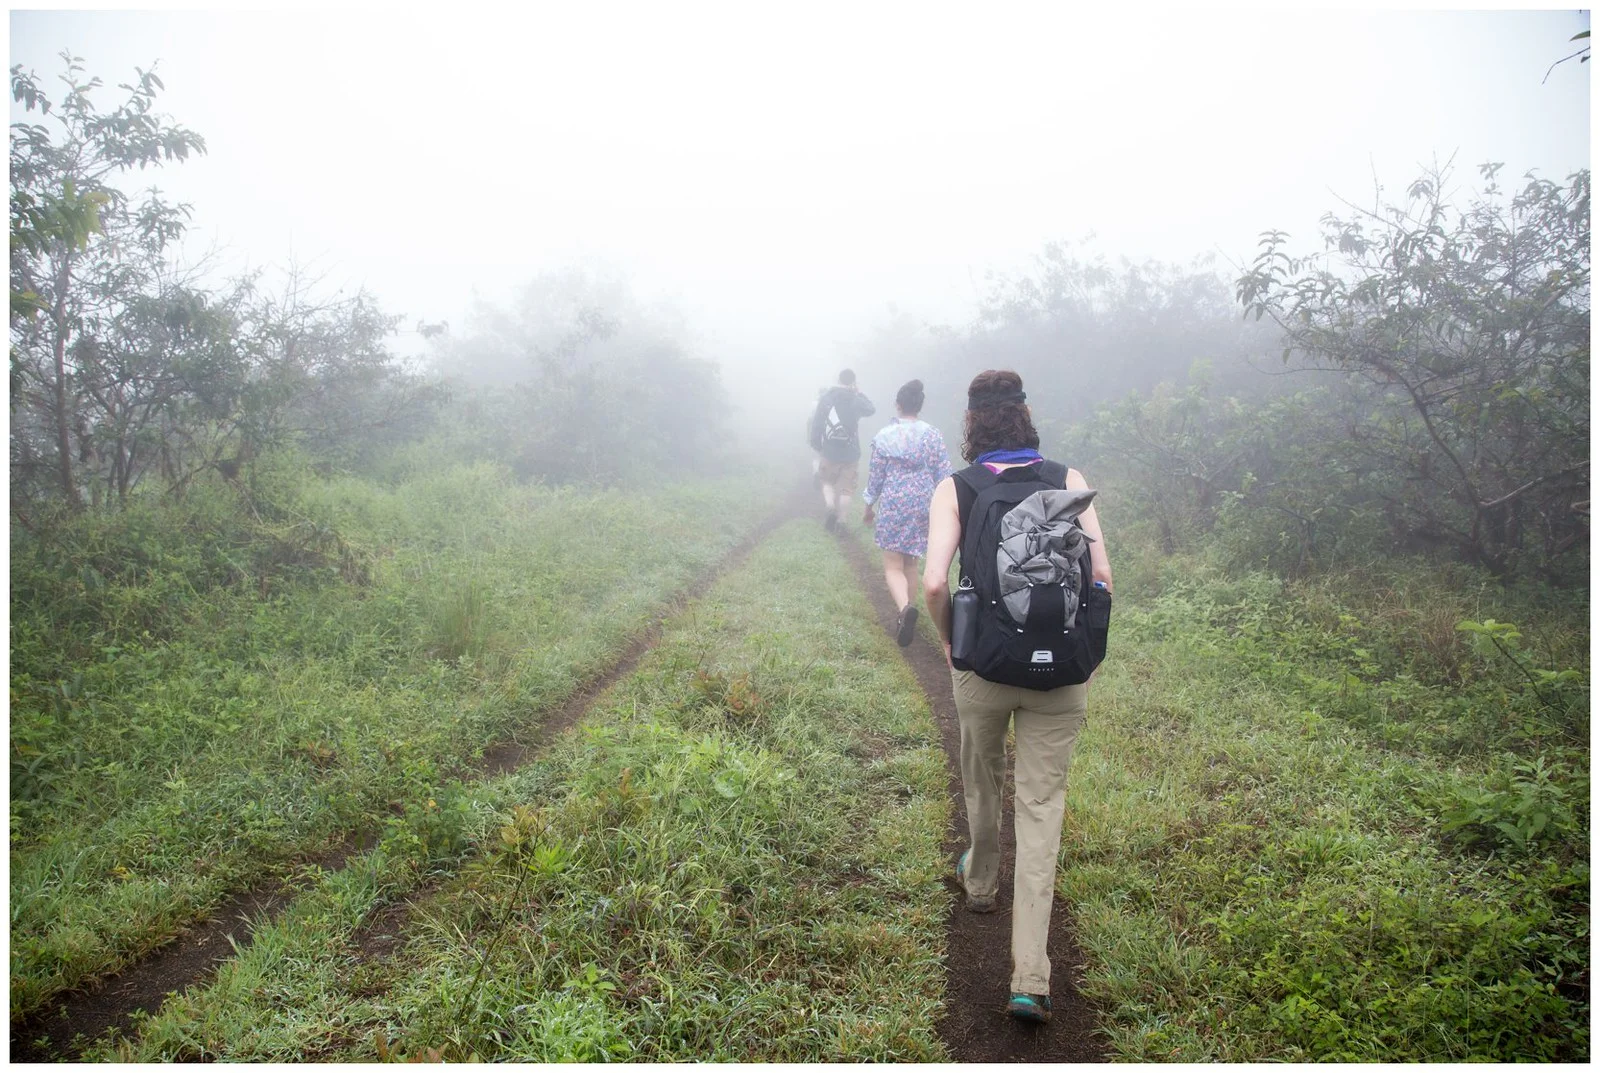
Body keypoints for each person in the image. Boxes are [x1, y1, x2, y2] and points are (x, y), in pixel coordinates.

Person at [921, 368, 1113, 1025]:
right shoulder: (1068, 478)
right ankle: (1030, 977)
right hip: (1060, 671)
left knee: (982, 775)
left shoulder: (957, 486)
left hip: (984, 666)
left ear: (972, 423)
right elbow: (1102, 577)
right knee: (1041, 806)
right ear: (1025, 417)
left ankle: (980, 882)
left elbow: (934, 584)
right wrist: (1087, 656)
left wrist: (952, 643)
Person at [862, 379, 953, 646]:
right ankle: (908, 609)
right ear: (919, 406)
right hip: (923, 501)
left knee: (893, 565)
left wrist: (868, 506)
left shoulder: (884, 436)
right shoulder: (932, 435)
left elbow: (876, 477)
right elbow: (944, 473)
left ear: (898, 405)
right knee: (911, 561)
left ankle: (904, 609)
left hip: (893, 500)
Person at [809, 369, 875, 531]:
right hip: (851, 452)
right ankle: (842, 521)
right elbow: (871, 409)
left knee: (826, 481)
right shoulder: (855, 399)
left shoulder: (827, 398)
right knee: (847, 489)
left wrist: (817, 444)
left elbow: (817, 423)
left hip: (829, 450)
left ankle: (830, 507)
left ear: (838, 380)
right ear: (853, 382)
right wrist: (859, 393)